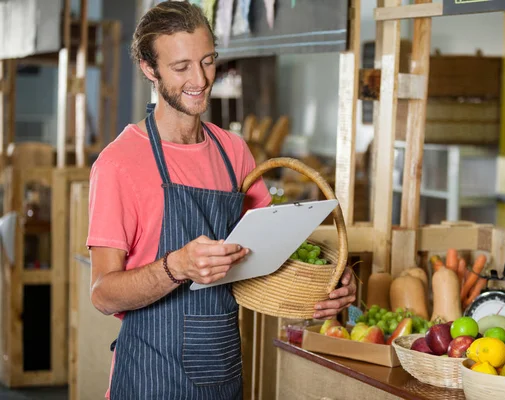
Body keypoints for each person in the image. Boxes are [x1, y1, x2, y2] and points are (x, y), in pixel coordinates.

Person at [86, 1, 357, 399]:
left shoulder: (233, 151)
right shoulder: (119, 163)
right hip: (149, 374)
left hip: (222, 370)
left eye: (208, 61)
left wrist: (327, 285)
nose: (200, 79)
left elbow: (269, 257)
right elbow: (103, 294)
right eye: (181, 68)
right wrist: (176, 266)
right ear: (149, 69)